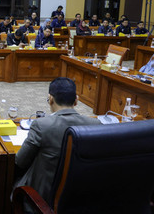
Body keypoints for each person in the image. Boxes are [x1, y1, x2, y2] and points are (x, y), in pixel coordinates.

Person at [14, 78, 100, 208]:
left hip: (42, 199)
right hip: (80, 199)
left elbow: (20, 161)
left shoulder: (41, 125)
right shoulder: (95, 125)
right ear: (76, 100)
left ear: (50, 99)